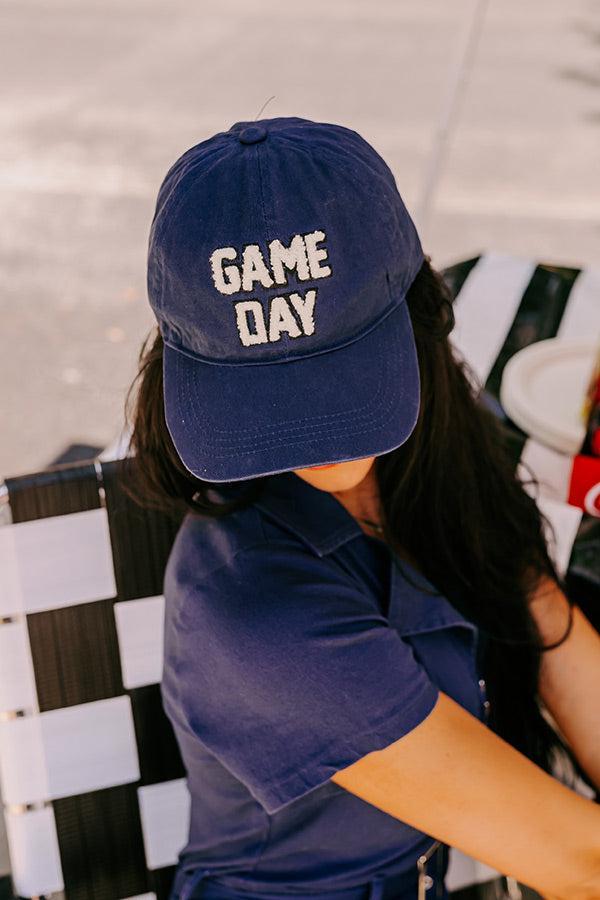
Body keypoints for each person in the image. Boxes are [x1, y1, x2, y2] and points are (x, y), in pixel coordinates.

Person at [122, 116, 600, 900]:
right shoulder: (255, 617)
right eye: (263, 391)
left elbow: (541, 617)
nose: (310, 435)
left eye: (338, 374)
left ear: (416, 310)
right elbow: (579, 864)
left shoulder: (438, 437)